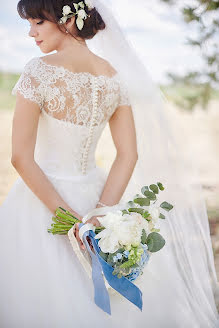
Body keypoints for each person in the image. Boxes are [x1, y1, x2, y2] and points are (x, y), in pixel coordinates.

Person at [0, 0, 218, 327]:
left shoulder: (38, 70)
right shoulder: (114, 76)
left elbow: (20, 156)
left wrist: (68, 219)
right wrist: (101, 215)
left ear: (69, 20)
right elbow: (128, 154)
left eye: (37, 23)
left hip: (40, 203)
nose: (31, 33)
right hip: (96, 197)